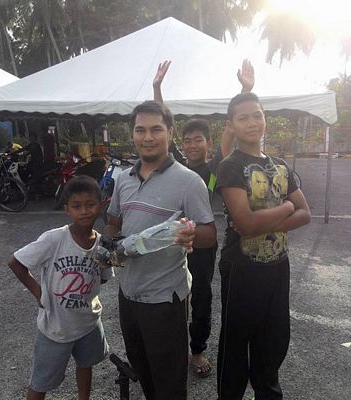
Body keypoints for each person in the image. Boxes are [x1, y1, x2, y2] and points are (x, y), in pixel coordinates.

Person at [104, 101, 217, 400]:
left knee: (170, 382)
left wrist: (191, 234)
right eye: (140, 130)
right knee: (143, 371)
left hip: (165, 300)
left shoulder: (189, 181)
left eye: (156, 129)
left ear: (170, 133)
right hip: (128, 295)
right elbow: (114, 222)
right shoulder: (123, 179)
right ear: (132, 134)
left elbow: (209, 233)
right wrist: (109, 246)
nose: (148, 137)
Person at [152, 59, 255, 377]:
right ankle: (170, 349)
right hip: (172, 241)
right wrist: (157, 89)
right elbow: (163, 123)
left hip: (202, 245)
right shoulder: (176, 165)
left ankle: (196, 351)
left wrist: (245, 90)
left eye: (198, 139)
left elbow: (231, 129)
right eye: (187, 140)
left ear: (209, 144)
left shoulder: (214, 169)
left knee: (200, 297)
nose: (191, 144)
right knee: (168, 295)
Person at [216, 92, 311, 399]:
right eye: (243, 118)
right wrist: (285, 208)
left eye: (257, 115)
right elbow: (245, 225)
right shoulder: (230, 166)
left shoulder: (280, 166)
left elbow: (305, 213)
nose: (252, 122)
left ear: (265, 118)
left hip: (278, 266)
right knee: (235, 344)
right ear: (232, 125)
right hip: (241, 269)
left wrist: (266, 221)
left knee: (273, 340)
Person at [8, 176, 113, 400]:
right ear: (67, 210)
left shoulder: (102, 243)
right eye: (76, 206)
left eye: (90, 204)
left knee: (85, 364)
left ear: (101, 205)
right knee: (41, 381)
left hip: (88, 322)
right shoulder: (55, 239)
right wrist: (38, 292)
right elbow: (16, 262)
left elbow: (103, 277)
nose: (84, 211)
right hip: (56, 327)